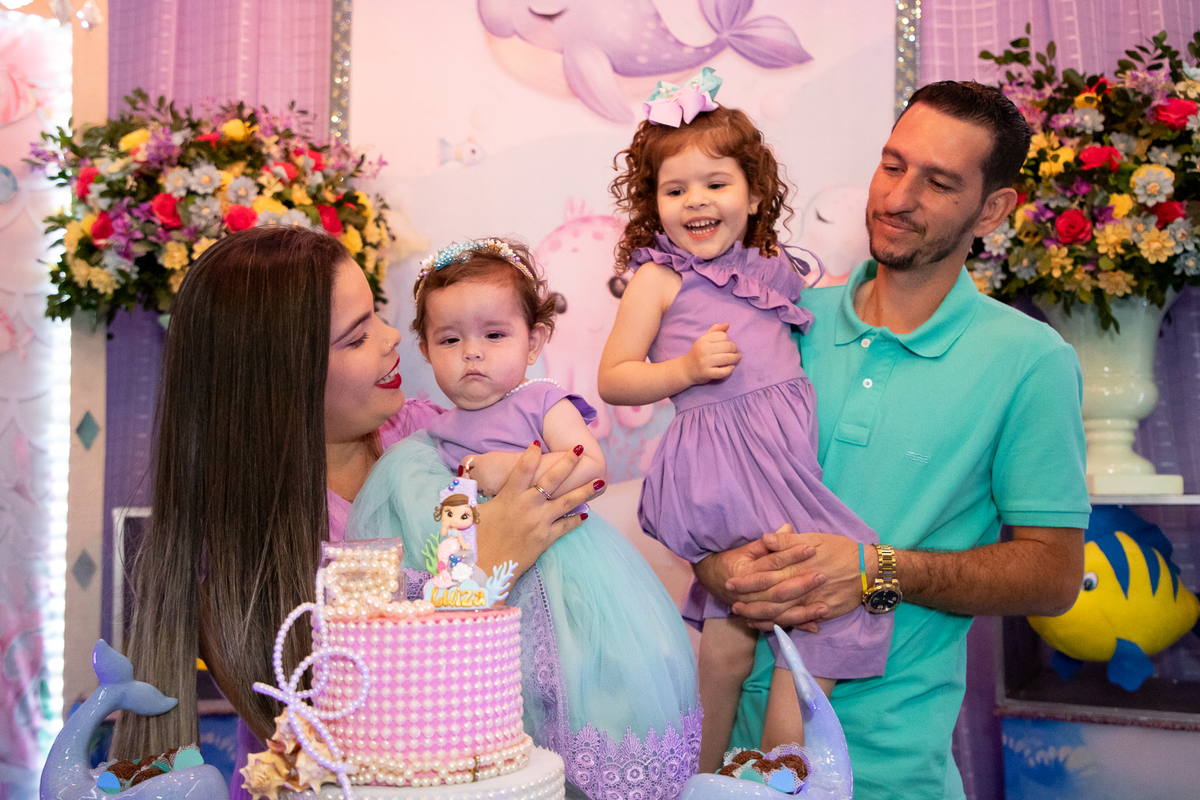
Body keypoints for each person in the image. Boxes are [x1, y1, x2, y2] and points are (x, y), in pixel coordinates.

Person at [693, 81, 1091, 799]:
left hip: (889, 773)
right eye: (892, 164)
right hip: (726, 762)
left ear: (992, 209)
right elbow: (709, 497)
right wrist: (722, 569)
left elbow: (1053, 575)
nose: (897, 197)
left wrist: (876, 571)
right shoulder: (781, 320)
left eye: (938, 182)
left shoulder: (1030, 360)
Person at [107, 227, 601, 800]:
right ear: (281, 381)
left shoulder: (433, 435)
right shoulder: (251, 564)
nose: (393, 338)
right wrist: (485, 564)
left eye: (379, 316)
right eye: (357, 337)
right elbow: (370, 730)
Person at [596, 95, 891, 773]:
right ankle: (781, 773)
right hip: (729, 465)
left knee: (731, 631)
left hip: (776, 462)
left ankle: (700, 774)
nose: (696, 201)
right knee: (830, 595)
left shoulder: (770, 267)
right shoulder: (658, 278)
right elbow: (613, 378)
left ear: (755, 194)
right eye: (675, 190)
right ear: (652, 202)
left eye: (716, 183)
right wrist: (685, 369)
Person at [347, 237, 701, 799]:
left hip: (566, 570)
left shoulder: (541, 401)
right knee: (506, 704)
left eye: (494, 335)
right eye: (450, 339)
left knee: (580, 678)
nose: (472, 354)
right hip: (488, 585)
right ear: (425, 348)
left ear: (533, 340)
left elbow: (591, 468)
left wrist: (506, 468)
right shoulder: (431, 435)